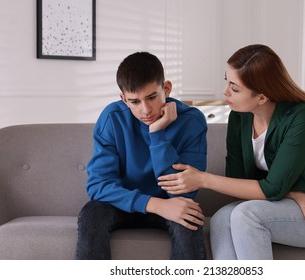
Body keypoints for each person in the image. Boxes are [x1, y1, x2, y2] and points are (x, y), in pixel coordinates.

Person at [158, 44, 305, 260]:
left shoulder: (303, 117)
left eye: (235, 88)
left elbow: (271, 188)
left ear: (262, 97)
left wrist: (202, 179)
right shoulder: (240, 115)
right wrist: (292, 193)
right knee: (220, 219)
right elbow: (239, 180)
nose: (225, 92)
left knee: (246, 216)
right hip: (288, 202)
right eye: (226, 81)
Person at [76, 51, 207, 260]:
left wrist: (157, 134)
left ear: (166, 88)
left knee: (189, 217)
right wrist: (155, 204)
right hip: (122, 205)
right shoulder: (112, 118)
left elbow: (184, 193)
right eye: (134, 101)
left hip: (170, 203)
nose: (145, 110)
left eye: (152, 97)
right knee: (92, 213)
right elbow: (98, 185)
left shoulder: (192, 121)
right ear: (123, 99)